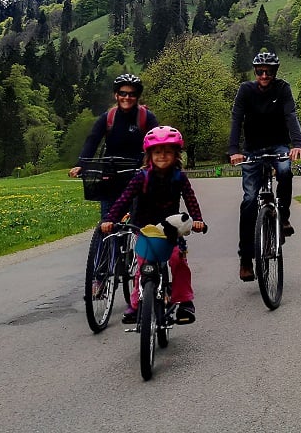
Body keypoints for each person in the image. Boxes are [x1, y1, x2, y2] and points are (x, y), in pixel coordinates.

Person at [101, 126, 206, 325]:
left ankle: (184, 301)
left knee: (178, 260)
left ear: (176, 155)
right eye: (157, 152)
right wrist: (110, 219)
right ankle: (136, 304)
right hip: (145, 228)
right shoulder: (142, 177)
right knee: (142, 266)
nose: (162, 156)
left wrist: (197, 219)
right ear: (149, 156)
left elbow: (190, 198)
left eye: (168, 152)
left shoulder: (179, 177)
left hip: (171, 229)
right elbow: (124, 199)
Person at [228, 51, 301, 282]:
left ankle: (284, 216)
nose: (264, 75)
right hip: (251, 150)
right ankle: (245, 259)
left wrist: (297, 144)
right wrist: (234, 150)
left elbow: (291, 115)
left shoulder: (282, 89)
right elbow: (236, 118)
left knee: (284, 171)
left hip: (278, 146)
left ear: (275, 72)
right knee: (250, 200)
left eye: (268, 71)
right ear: (255, 72)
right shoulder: (245, 90)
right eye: (260, 71)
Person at [70, 73, 159, 219]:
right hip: (111, 174)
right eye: (122, 93)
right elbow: (93, 140)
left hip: (137, 172)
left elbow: (157, 141)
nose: (127, 97)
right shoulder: (108, 117)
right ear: (116, 95)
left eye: (132, 94)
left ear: (137, 96)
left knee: (138, 219)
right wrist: (81, 164)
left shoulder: (146, 117)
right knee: (108, 221)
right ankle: (104, 242)